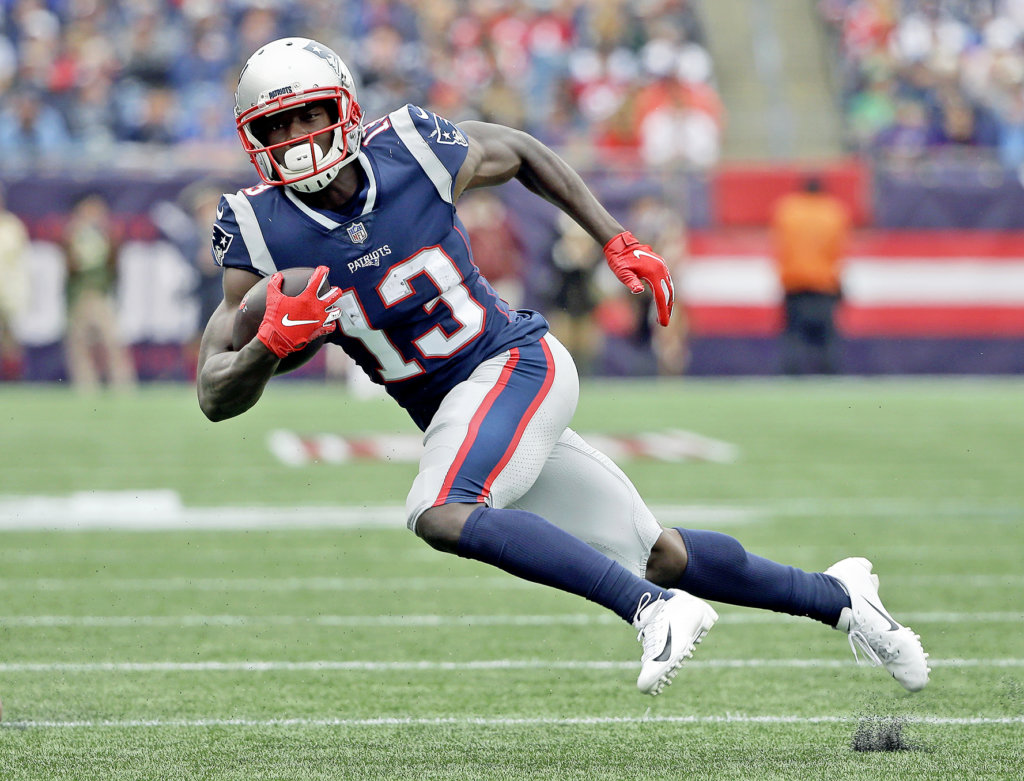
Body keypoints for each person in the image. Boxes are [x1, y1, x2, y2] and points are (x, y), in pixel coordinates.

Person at [197, 38, 930, 696]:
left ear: (346, 106)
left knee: (441, 509)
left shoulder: (411, 148)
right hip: (460, 410)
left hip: (515, 364)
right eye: (276, 126)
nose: (297, 138)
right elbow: (214, 391)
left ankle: (653, 613)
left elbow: (521, 150)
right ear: (253, 140)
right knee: (659, 552)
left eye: (308, 114)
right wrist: (270, 347)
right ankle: (841, 598)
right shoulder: (260, 231)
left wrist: (616, 239)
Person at [771, 175, 852, 375]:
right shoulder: (834, 212)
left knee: (793, 336)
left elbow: (782, 247)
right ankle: (830, 375)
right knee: (827, 338)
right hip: (824, 283)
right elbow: (837, 251)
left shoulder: (787, 211)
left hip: (794, 283)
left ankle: (790, 375)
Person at [62, 192, 137, 392]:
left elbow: (113, 265)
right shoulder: (74, 235)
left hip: (100, 294)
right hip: (80, 295)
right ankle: (86, 385)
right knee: (80, 345)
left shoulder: (106, 235)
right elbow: (71, 266)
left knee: (112, 341)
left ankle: (122, 384)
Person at [0, 184, 29, 381]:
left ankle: (14, 381)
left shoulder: (12, 225)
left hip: (8, 292)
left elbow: (21, 263)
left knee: (10, 339)